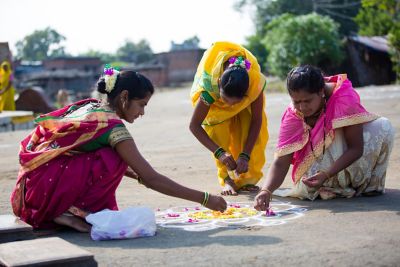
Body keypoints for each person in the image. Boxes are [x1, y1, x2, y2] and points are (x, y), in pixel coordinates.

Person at [10, 67, 227, 232]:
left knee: (113, 156)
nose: (142, 112)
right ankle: (65, 210)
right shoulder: (112, 127)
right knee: (114, 158)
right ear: (124, 97)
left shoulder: (92, 107)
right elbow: (152, 178)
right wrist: (205, 198)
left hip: (32, 191)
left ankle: (64, 209)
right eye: (141, 104)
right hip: (47, 196)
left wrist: (137, 175)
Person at [254, 65, 395, 211]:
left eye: (307, 101)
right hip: (317, 169)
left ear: (321, 91)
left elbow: (356, 148)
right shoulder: (293, 113)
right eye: (296, 102)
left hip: (340, 161)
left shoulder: (344, 96)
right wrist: (266, 190)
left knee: (383, 126)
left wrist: (327, 173)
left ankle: (366, 186)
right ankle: (331, 186)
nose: (302, 108)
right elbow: (281, 161)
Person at [190, 41, 269, 196]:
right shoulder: (209, 88)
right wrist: (219, 152)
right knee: (217, 131)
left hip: (244, 102)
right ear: (219, 84)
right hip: (216, 109)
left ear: (246, 93)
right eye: (226, 100)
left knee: (249, 130)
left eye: (236, 102)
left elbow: (256, 120)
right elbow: (194, 126)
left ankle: (246, 180)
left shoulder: (254, 84)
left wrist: (245, 155)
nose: (231, 106)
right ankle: (227, 179)